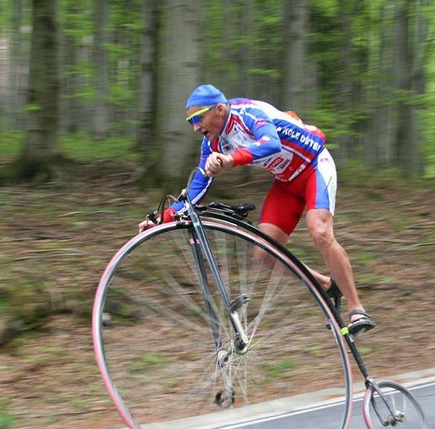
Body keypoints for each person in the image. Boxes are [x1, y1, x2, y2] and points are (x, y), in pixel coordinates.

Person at [144, 83, 375, 336]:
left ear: (219, 109)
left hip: (314, 166)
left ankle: (357, 309)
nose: (196, 127)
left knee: (319, 232)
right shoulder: (211, 144)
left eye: (199, 118)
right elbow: (197, 189)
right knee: (264, 253)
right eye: (190, 122)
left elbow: (271, 144)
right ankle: (325, 285)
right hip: (286, 182)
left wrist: (231, 159)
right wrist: (161, 219)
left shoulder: (247, 113)